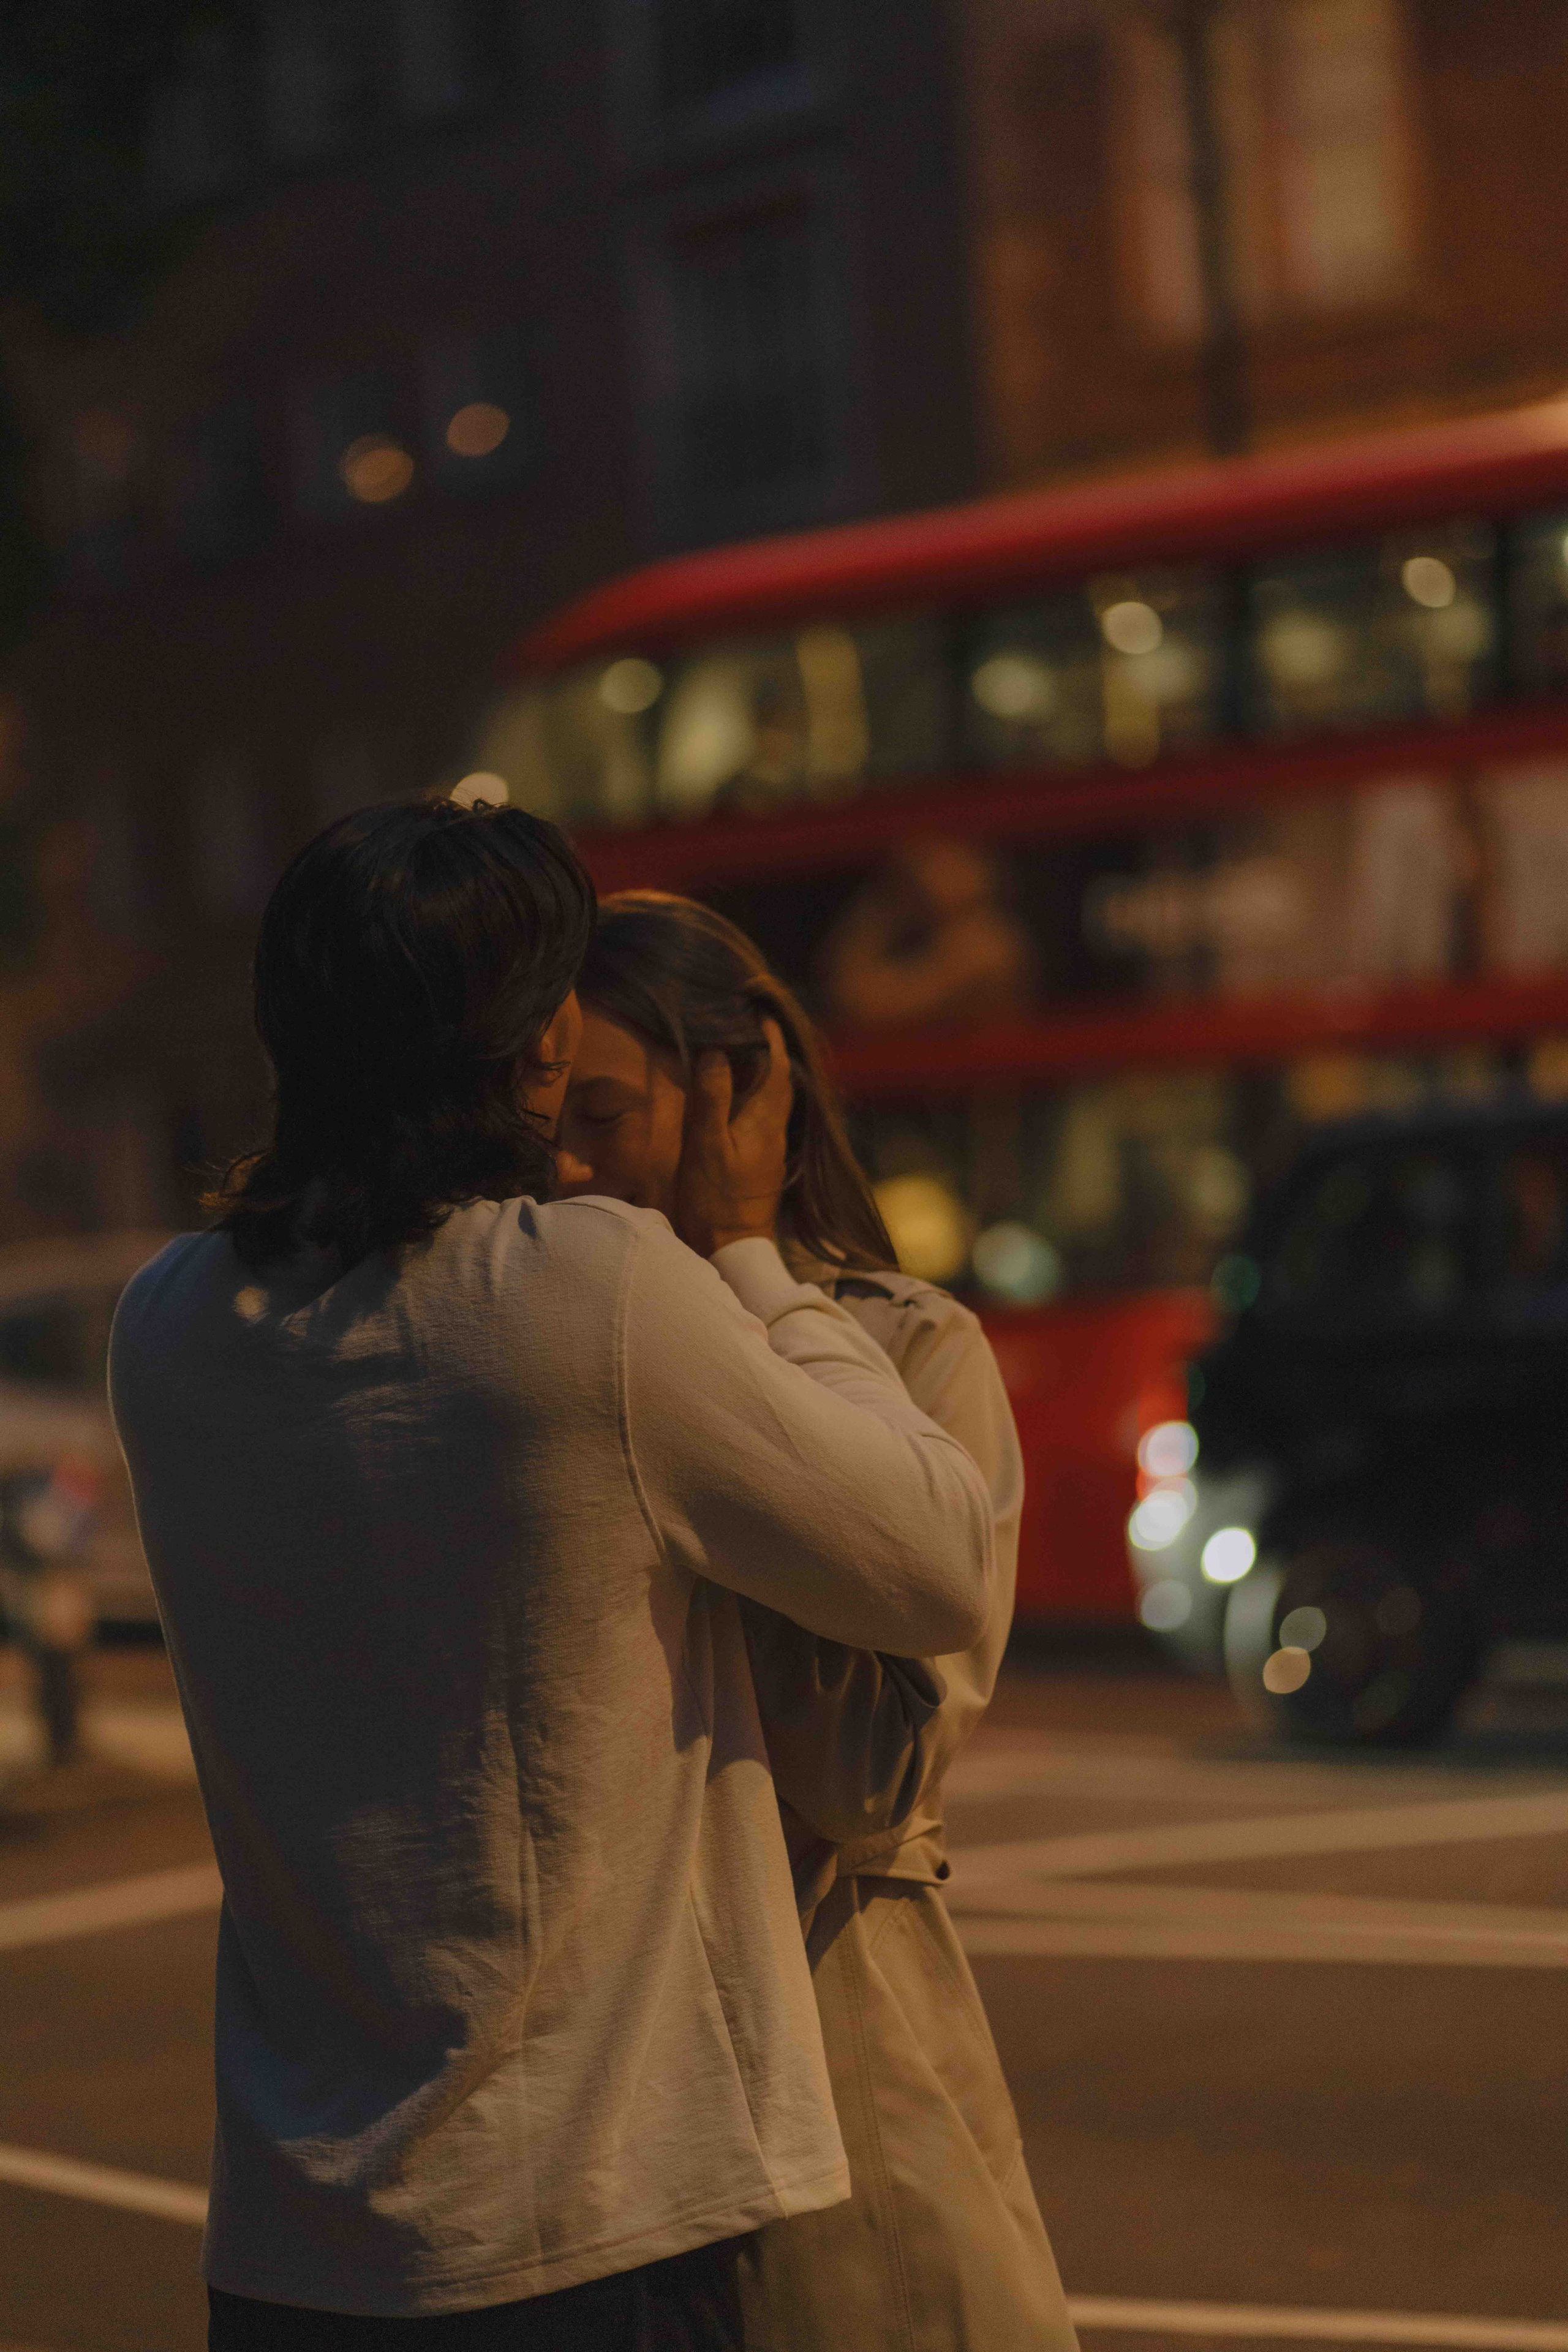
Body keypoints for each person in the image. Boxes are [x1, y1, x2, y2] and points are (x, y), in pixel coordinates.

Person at [107, 799, 995, 2350]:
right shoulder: (582, 1292)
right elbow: (928, 1558)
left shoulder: (167, 1322)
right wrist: (745, 1250)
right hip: (590, 2231)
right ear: (527, 1054)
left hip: (290, 2246)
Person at [557, 890, 1078, 2352]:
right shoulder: (548, 1353)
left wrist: (734, 1281)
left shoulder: (911, 1351)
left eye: (603, 1110)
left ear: (741, 1092)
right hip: (611, 2086)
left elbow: (872, 1776)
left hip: (837, 2026)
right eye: (544, 1116)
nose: (564, 1163)